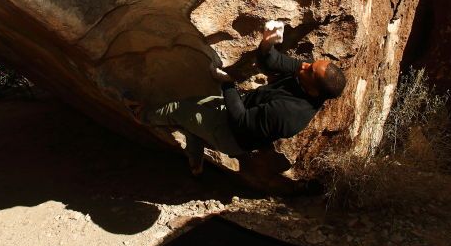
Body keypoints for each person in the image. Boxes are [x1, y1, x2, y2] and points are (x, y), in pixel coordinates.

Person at [124, 22, 347, 175]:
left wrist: (227, 82)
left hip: (230, 133)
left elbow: (240, 120)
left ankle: (141, 115)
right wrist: (267, 43)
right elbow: (274, 62)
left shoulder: (290, 115)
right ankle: (196, 162)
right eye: (311, 64)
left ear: (315, 91)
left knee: (177, 109)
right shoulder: (306, 79)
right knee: (193, 119)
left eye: (310, 70)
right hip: (235, 112)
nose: (305, 65)